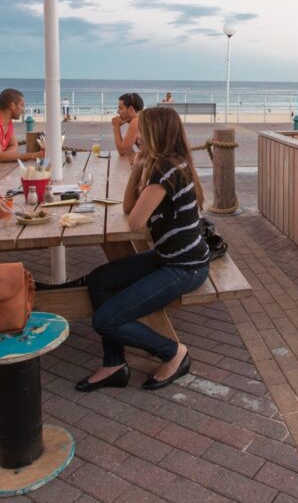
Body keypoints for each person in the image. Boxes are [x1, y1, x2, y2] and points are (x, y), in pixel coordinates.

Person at [75, 106, 209, 392]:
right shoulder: (170, 162)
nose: (136, 136)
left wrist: (141, 167)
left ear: (154, 134)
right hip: (171, 257)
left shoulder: (165, 169)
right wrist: (137, 167)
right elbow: (127, 208)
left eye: (141, 131)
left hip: (185, 267)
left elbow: (134, 221)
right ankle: (114, 363)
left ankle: (174, 353)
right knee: (100, 279)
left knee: (105, 319)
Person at [112, 92, 144, 157]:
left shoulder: (136, 121)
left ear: (130, 109)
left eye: (120, 108)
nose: (118, 111)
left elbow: (122, 152)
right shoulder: (141, 118)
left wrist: (116, 126)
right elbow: (127, 150)